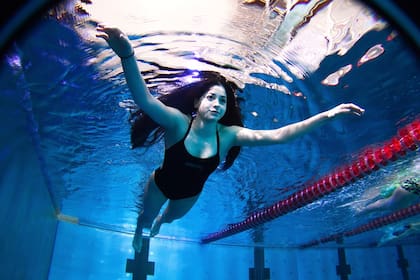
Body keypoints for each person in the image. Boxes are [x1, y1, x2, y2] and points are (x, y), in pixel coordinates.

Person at [96, 25, 365, 252]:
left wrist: (328, 116)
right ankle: (140, 232)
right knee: (145, 217)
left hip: (189, 196)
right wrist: (128, 55)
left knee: (166, 220)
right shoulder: (178, 124)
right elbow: (145, 99)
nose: (216, 104)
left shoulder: (228, 135)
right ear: (198, 101)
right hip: (160, 184)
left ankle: (158, 225)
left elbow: (279, 135)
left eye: (222, 101)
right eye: (211, 97)